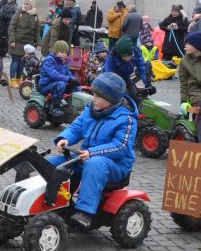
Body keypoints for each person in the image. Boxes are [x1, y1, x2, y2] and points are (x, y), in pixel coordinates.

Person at [48, 72, 137, 229]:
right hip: (86, 158)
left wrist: (93, 152)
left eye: (98, 96)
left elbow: (121, 146)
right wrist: (65, 139)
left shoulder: (126, 119)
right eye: (93, 94)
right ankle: (52, 201)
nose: (94, 99)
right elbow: (76, 128)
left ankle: (85, 212)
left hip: (115, 166)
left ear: (111, 99)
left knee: (95, 164)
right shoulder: (90, 110)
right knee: (52, 163)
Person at [39, 40, 79, 117]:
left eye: (65, 53)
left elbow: (68, 73)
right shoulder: (49, 60)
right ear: (56, 51)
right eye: (61, 52)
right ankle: (54, 107)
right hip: (46, 85)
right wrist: (68, 79)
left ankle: (74, 106)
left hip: (56, 84)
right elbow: (53, 74)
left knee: (76, 86)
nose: (64, 54)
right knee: (61, 84)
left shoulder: (64, 62)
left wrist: (74, 80)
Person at [104, 37, 150, 102]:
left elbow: (142, 68)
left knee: (136, 97)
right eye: (124, 56)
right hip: (114, 80)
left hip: (126, 78)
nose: (128, 58)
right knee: (123, 99)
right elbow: (109, 76)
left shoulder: (136, 51)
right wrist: (121, 89)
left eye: (130, 55)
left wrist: (148, 84)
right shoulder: (112, 57)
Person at [8, 0, 40, 88]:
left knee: (22, 63)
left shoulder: (35, 16)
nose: (25, 5)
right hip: (16, 42)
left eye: (27, 4)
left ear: (31, 6)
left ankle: (19, 80)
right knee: (15, 61)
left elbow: (37, 31)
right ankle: (12, 80)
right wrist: (12, 40)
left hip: (27, 44)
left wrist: (38, 43)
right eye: (24, 3)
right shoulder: (19, 13)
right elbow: (12, 26)